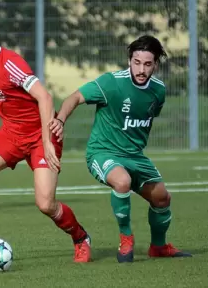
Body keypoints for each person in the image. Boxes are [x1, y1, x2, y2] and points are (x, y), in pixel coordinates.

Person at [0, 14, 92, 265]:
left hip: (41, 135)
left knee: (46, 204)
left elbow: (44, 98)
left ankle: (80, 238)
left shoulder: (11, 62)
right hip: (12, 134)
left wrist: (46, 141)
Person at [49, 35, 192, 263]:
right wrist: (61, 120)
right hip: (102, 152)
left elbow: (147, 116)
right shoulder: (112, 83)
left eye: (147, 64)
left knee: (162, 199)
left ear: (155, 64)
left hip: (135, 156)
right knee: (122, 181)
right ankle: (126, 237)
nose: (141, 69)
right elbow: (74, 97)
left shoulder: (158, 91)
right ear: (129, 60)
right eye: (136, 62)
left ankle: (158, 246)